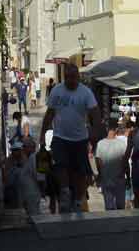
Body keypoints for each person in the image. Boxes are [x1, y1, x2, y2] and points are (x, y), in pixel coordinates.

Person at [40, 63, 102, 213]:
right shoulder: (57, 91)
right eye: (67, 77)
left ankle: (78, 199)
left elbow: (95, 113)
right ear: (64, 77)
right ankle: (65, 191)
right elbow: (50, 113)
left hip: (80, 138)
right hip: (60, 137)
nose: (70, 80)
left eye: (73, 77)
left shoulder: (85, 93)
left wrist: (95, 132)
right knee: (60, 166)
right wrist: (43, 134)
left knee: (80, 171)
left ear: (78, 77)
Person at [95, 118, 127, 210]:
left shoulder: (100, 144)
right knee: (120, 207)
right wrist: (127, 176)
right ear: (116, 129)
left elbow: (98, 162)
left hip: (106, 178)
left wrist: (100, 175)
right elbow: (124, 162)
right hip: (119, 179)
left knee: (109, 207)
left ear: (106, 128)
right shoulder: (122, 144)